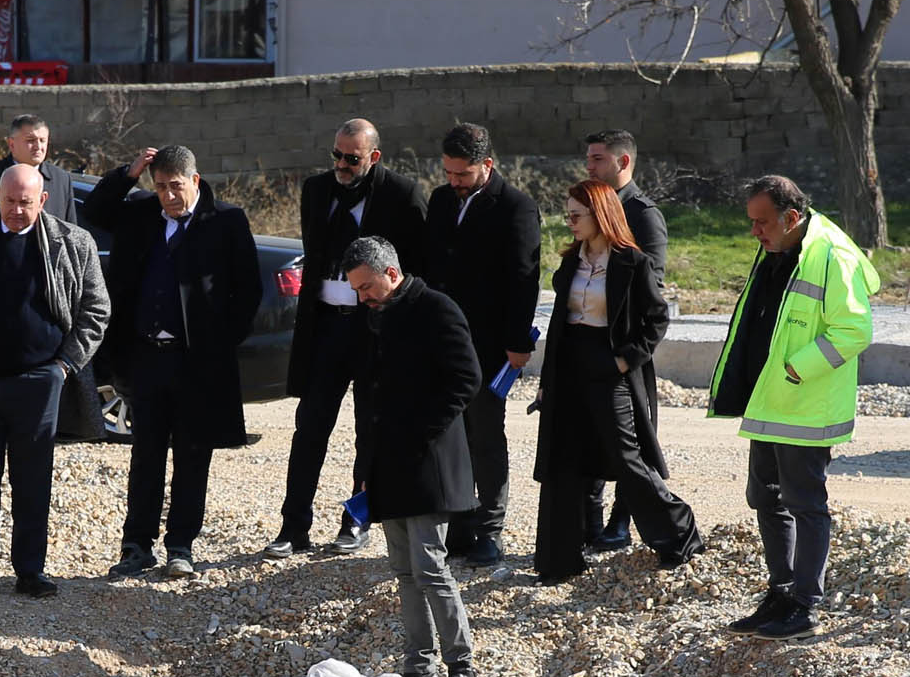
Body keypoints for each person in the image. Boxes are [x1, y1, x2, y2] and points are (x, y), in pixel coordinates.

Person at [707, 175, 880, 638]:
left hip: (805, 406)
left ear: (791, 217)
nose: (755, 232)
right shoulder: (782, 249)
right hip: (773, 403)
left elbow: (854, 331)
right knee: (766, 499)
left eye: (761, 223)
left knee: (805, 503)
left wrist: (795, 369)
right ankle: (780, 593)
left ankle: (805, 605)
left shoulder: (832, 256)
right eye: (751, 222)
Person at [0, 162, 111, 598]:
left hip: (39, 382)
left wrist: (64, 366)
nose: (15, 210)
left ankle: (30, 570)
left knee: (33, 481)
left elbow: (96, 310)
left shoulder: (73, 243)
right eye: (8, 200)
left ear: (43, 200)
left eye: (25, 202)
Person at [90, 144, 263, 578]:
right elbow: (95, 210)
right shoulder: (141, 213)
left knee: (192, 455)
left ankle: (181, 545)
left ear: (196, 181)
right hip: (147, 358)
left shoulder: (225, 221)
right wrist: (128, 174)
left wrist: (219, 343)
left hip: (197, 363)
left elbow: (248, 291)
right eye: (161, 186)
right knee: (145, 454)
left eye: (176, 186)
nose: (168, 195)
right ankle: (136, 546)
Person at [269, 119, 428, 558]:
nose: (341, 164)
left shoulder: (402, 194)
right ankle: (293, 525)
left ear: (373, 157)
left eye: (351, 158)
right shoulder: (317, 191)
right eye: (336, 155)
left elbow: (416, 268)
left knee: (370, 431)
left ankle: (356, 520)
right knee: (309, 429)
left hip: (375, 329)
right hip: (324, 328)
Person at [533, 183, 703, 585]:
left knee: (627, 457)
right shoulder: (571, 261)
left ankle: (679, 534)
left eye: (577, 215)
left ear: (601, 214)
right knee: (562, 459)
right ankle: (559, 561)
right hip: (568, 363)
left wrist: (626, 359)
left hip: (608, 365)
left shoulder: (632, 262)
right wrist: (547, 380)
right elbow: (560, 322)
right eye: (568, 215)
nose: (570, 223)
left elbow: (656, 318)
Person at [339, 236, 483, 677]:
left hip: (428, 462)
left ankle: (463, 669)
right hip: (389, 463)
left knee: (430, 569)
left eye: (367, 287)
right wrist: (368, 466)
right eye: (357, 291)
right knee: (404, 572)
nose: (363, 297)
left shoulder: (436, 309)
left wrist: (421, 433)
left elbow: (466, 377)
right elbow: (372, 395)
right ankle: (418, 672)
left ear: (392, 274)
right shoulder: (376, 317)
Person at [418, 123, 544, 568]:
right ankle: (459, 526)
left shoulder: (516, 208)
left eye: (462, 175)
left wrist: (515, 344)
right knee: (448, 435)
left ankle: (490, 530)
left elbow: (524, 278)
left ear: (486, 166)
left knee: (486, 436)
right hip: (440, 340)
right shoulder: (439, 201)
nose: (454, 182)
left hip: (488, 343)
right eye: (449, 173)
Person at [581, 128, 669, 552]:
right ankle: (591, 523)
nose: (590, 166)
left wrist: (627, 354)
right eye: (589, 158)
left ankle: (622, 521)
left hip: (625, 351)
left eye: (598, 159)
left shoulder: (642, 213)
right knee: (591, 435)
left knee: (629, 441)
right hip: (589, 342)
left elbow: (653, 289)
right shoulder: (589, 206)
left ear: (623, 162)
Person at [2, 112, 87, 223]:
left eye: (42, 140)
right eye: (30, 140)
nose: (38, 147)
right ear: (11, 144)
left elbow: (71, 229)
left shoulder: (61, 179)